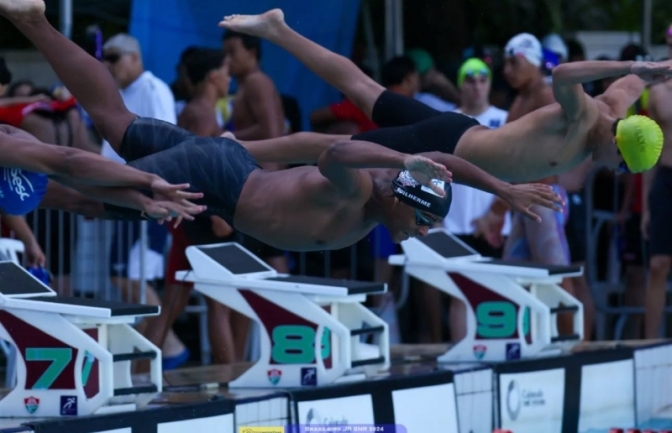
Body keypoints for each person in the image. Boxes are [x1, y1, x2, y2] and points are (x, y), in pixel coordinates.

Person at [0, 0, 565, 253]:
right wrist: (402, 162)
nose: (421, 232)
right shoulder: (364, 185)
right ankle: (14, 150)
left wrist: (503, 188)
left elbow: (441, 163)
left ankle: (36, 23)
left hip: (228, 174)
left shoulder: (381, 205)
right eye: (421, 220)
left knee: (116, 124)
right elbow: (338, 155)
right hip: (219, 181)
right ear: (402, 196)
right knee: (92, 197)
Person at [219, 10, 667, 185]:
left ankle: (279, 29)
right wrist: (629, 65)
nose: (617, 170)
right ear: (618, 142)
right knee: (335, 149)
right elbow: (564, 73)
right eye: (623, 163)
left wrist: (652, 70)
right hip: (447, 144)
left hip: (455, 132)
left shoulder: (619, 105)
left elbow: (643, 79)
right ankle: (237, 147)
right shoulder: (585, 117)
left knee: (363, 88)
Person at [159, 47, 249, 368]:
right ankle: (229, 378)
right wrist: (215, 215)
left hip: (197, 217)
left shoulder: (204, 111)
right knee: (218, 302)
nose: (230, 77)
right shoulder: (200, 114)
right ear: (213, 76)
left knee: (178, 302)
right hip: (202, 218)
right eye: (226, 70)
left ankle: (140, 373)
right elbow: (193, 172)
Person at [0, 124, 204, 220]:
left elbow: (74, 177)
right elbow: (67, 163)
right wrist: (148, 180)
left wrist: (145, 201)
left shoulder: (12, 143)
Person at [222, 29, 289, 275]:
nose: (227, 60)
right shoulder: (246, 85)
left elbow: (271, 131)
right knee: (262, 257)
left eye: (232, 53)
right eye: (224, 54)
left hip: (265, 183)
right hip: (260, 182)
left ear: (251, 52)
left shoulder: (256, 82)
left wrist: (228, 138)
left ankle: (287, 312)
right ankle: (280, 312)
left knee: (269, 256)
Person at [642, 37, 672, 338]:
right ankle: (650, 345)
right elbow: (650, 151)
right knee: (658, 264)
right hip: (665, 178)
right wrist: (646, 207)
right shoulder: (657, 92)